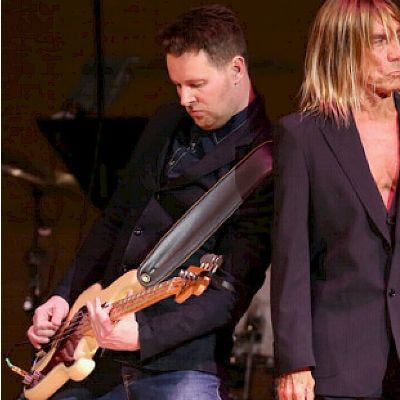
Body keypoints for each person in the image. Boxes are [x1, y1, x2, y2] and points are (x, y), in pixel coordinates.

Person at [27, 5, 273, 400]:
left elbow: (231, 290)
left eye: (196, 84)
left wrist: (145, 334)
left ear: (236, 69)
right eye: (177, 85)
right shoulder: (166, 121)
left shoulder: (264, 164)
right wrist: (64, 295)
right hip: (99, 348)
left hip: (180, 363)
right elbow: (116, 219)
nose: (185, 98)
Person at [271, 0, 400, 399]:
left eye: (399, 37)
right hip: (341, 363)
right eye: (380, 41)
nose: (396, 52)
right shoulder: (304, 137)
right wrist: (294, 361)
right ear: (343, 48)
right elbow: (291, 257)